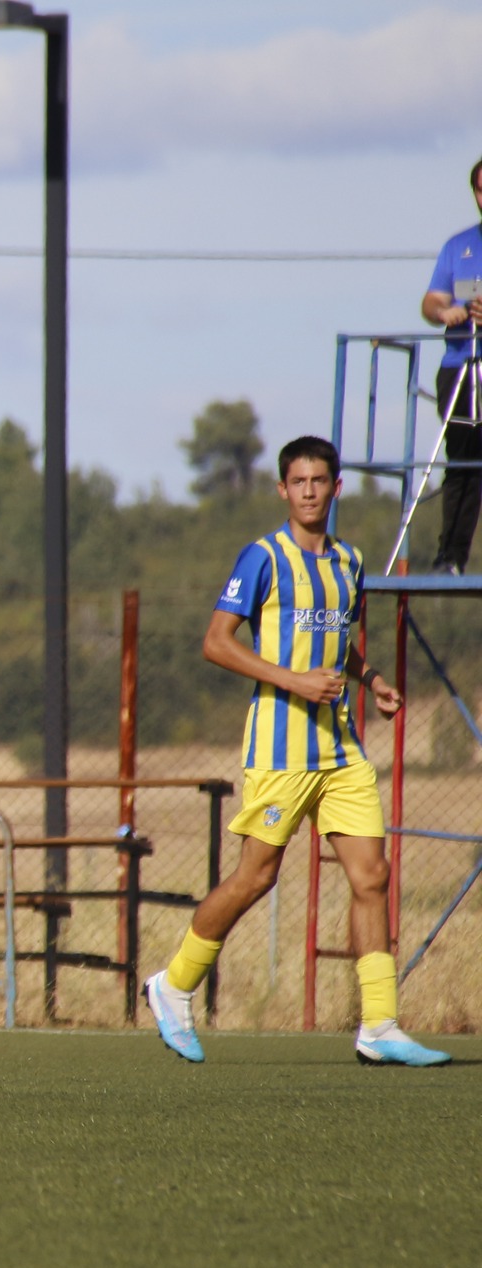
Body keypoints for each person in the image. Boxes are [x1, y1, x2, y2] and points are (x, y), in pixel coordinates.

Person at [145, 436, 448, 1067]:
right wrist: (294, 681)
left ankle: (380, 1026)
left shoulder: (350, 562)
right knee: (257, 876)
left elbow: (339, 641)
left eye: (320, 481)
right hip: (280, 750)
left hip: (340, 750)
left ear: (336, 488)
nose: (309, 491)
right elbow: (216, 643)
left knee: (372, 877)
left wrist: (370, 681)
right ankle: (172, 987)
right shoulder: (261, 558)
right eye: (298, 482)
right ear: (283, 491)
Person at [421, 155, 482, 574]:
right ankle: (450, 556)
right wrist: (446, 314)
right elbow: (433, 300)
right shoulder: (457, 246)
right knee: (461, 462)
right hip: (461, 366)